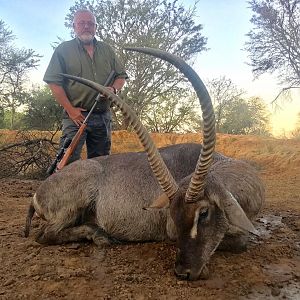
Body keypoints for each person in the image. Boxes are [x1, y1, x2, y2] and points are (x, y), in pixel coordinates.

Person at [44, 9, 128, 163]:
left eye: (90, 23)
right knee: (67, 161)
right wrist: (71, 110)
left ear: (96, 27)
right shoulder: (63, 49)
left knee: (101, 164)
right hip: (76, 116)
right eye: (82, 23)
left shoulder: (107, 50)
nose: (86, 26)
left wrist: (113, 89)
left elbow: (121, 75)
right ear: (74, 26)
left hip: (102, 116)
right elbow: (53, 82)